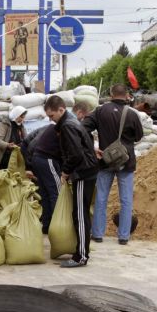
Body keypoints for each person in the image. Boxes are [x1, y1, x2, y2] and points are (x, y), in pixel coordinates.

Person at [84, 84, 144, 245]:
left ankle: (97, 234)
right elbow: (139, 136)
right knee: (126, 199)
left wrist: (93, 148)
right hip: (126, 161)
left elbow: (83, 128)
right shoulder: (132, 114)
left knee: (102, 197)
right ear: (126, 95)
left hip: (105, 160)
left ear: (111, 94)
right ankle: (123, 236)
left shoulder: (100, 111)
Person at [45, 95, 98, 268]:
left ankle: (81, 256)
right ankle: (81, 251)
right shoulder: (72, 122)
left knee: (80, 215)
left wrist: (65, 171)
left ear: (61, 110)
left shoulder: (68, 125)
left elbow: (75, 154)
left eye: (52, 116)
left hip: (82, 173)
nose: (51, 120)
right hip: (86, 171)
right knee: (79, 213)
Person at [24, 115, 62, 234]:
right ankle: (58, 226)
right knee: (56, 192)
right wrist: (28, 167)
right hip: (45, 159)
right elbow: (29, 145)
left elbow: (26, 143)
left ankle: (46, 225)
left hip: (38, 160)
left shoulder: (47, 129)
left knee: (44, 193)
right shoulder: (55, 131)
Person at [0, 106, 28, 172]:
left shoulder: (20, 126)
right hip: (3, 157)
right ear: (16, 115)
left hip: (14, 156)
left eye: (23, 117)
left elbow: (26, 139)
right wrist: (7, 145)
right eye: (21, 117)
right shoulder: (4, 124)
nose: (22, 119)